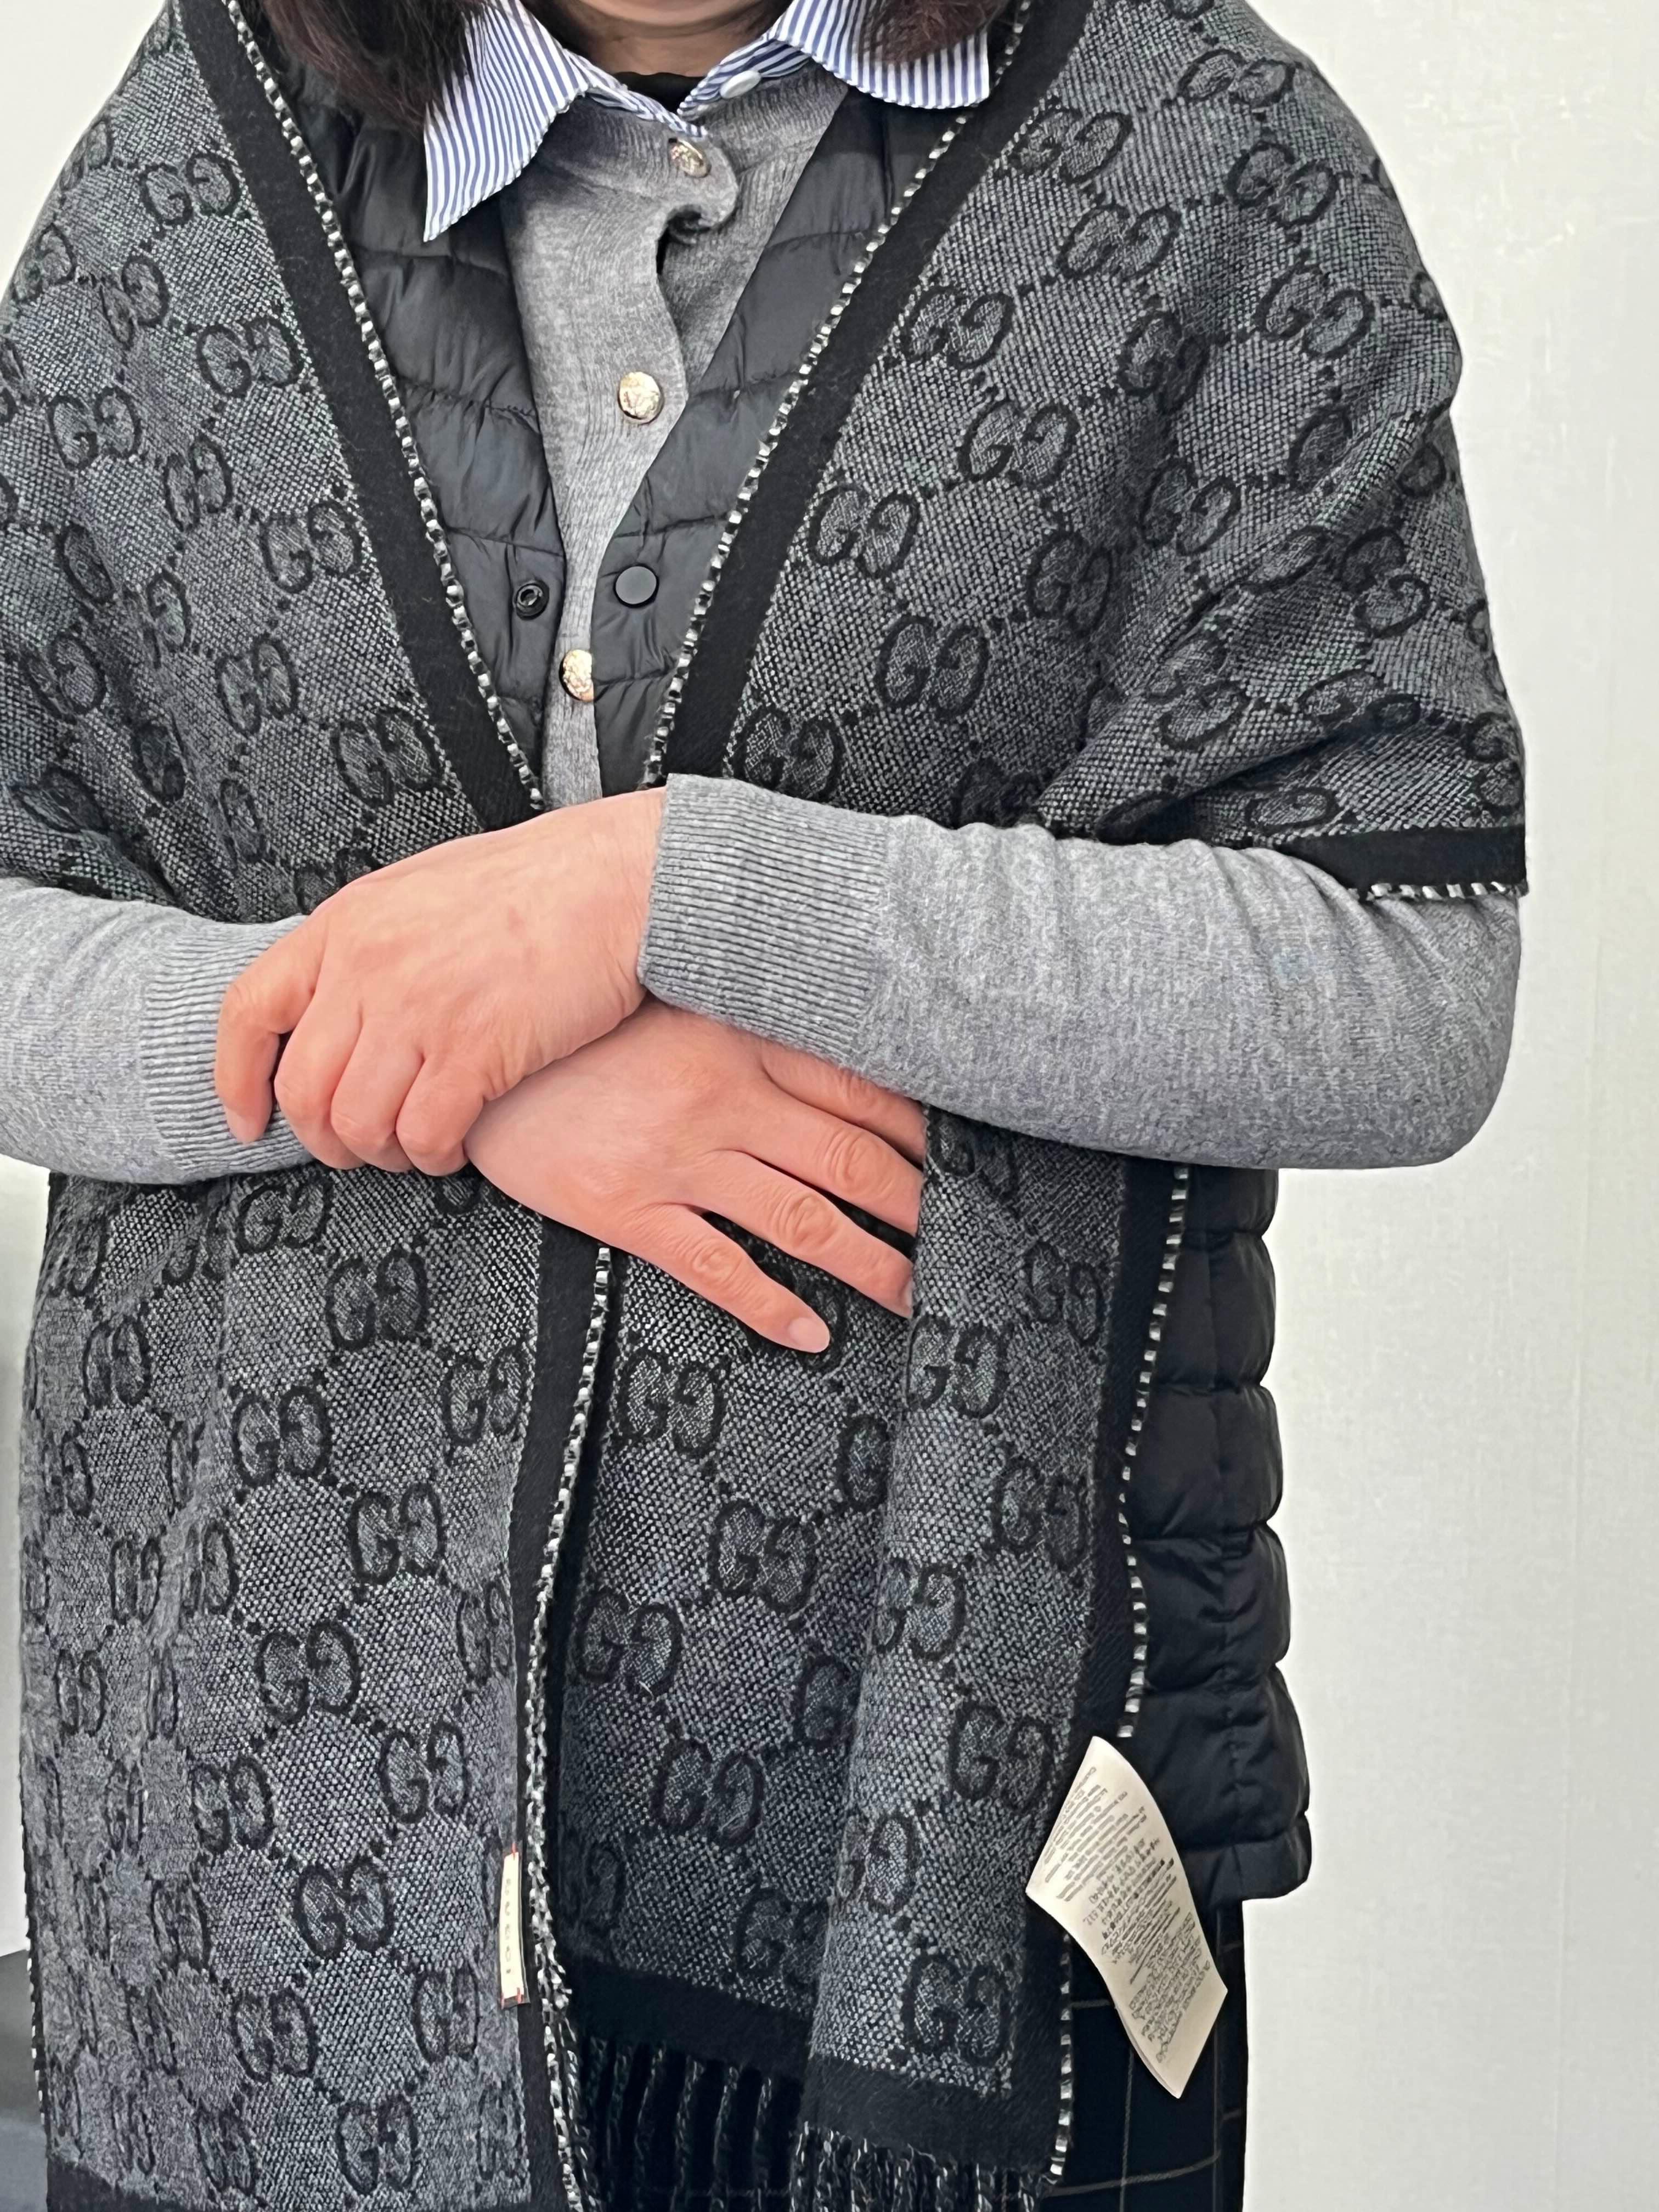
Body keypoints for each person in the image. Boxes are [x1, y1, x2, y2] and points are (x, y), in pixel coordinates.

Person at [0, 1, 1525, 2207]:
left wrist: (671, 890)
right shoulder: (203, 157)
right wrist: (424, 1076)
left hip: (943, 1854)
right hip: (265, 1881)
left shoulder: (1205, 157)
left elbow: (1409, 972)